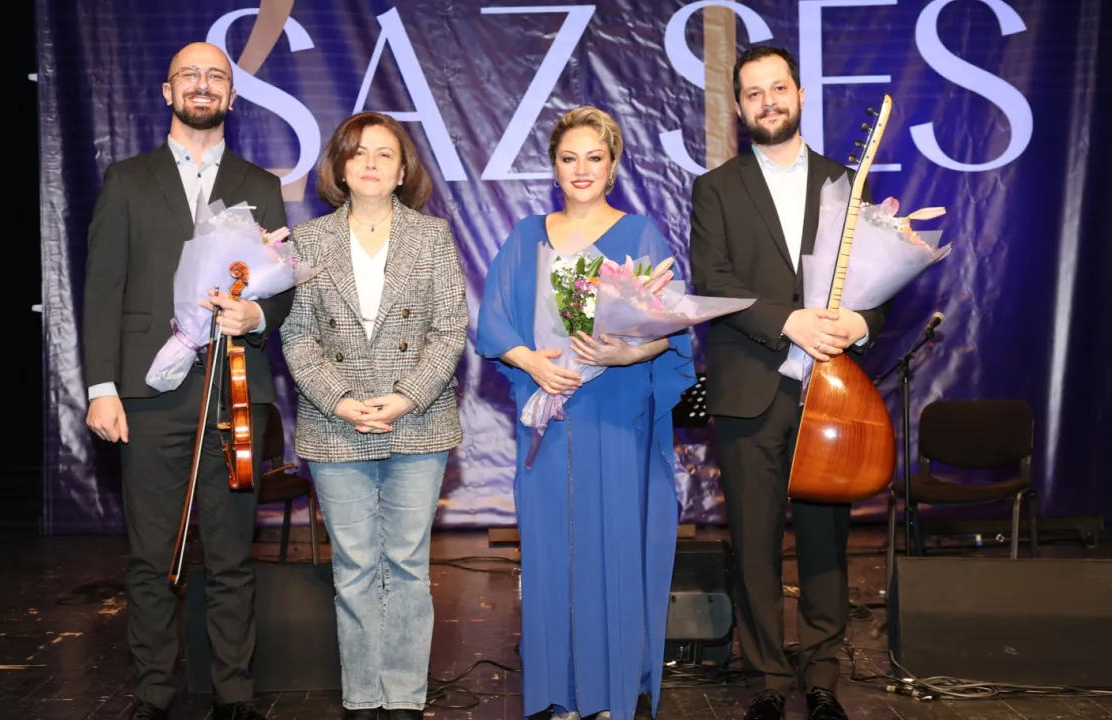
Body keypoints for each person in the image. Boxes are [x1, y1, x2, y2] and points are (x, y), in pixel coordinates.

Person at [82, 41, 291, 720]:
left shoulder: (261, 185)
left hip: (235, 392)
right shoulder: (126, 180)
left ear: (231, 96)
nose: (203, 85)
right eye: (190, 75)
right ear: (168, 92)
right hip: (148, 395)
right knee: (151, 556)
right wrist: (101, 388)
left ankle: (234, 693)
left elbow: (283, 289)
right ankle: (153, 692)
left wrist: (256, 313)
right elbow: (103, 289)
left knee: (231, 555)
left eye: (216, 77)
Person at [475, 106, 696, 720]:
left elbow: (670, 333)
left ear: (613, 165)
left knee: (614, 549)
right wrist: (531, 361)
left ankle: (610, 694)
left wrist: (626, 353)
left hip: (616, 413)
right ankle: (559, 694)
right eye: (569, 158)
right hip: (549, 413)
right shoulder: (526, 236)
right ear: (553, 166)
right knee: (551, 552)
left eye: (594, 158)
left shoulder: (641, 235)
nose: (581, 169)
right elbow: (493, 323)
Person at [688, 46, 889, 720]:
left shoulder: (845, 182)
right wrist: (790, 321)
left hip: (829, 392)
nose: (767, 101)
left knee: (827, 542)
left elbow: (879, 286)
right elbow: (713, 281)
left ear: (800, 94)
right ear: (739, 108)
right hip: (751, 388)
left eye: (778, 88)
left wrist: (860, 322)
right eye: (754, 93)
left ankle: (822, 674)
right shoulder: (715, 188)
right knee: (754, 544)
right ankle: (770, 680)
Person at [279, 111, 468, 720]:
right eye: (358, 151)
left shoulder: (432, 237)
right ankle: (363, 698)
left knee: (408, 565)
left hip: (418, 421)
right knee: (355, 567)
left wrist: (407, 396)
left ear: (403, 170)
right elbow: (297, 336)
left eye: (385, 153)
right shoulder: (307, 240)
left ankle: (405, 698)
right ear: (339, 166)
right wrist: (338, 399)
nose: (370, 162)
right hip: (335, 422)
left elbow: (449, 331)